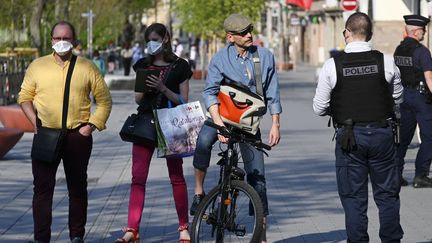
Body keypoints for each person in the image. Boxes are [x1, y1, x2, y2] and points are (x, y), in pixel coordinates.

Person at [190, 13, 281, 243]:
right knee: (202, 141)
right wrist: (219, 125)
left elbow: (273, 93)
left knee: (258, 178)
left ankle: (262, 235)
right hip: (222, 116)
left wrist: (276, 124)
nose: (249, 35)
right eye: (243, 33)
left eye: (250, 30)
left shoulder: (265, 57)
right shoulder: (220, 59)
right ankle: (199, 192)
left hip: (249, 122)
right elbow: (209, 93)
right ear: (231, 37)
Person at [18, 21, 112, 243]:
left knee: (77, 188)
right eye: (58, 38)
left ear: (74, 41)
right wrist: (35, 123)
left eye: (66, 38)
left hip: (77, 136)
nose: (62, 42)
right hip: (46, 134)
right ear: (51, 40)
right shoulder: (37, 66)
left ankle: (76, 235)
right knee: (42, 190)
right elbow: (24, 97)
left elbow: (105, 101)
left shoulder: (87, 67)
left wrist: (91, 126)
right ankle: (42, 238)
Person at [313, 12, 404, 242]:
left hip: (350, 138)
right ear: (370, 35)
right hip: (383, 135)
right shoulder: (386, 61)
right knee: (387, 196)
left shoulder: (332, 66)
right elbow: (398, 96)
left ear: (346, 33)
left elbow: (319, 107)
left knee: (354, 198)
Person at [115, 23, 193, 243]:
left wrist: (163, 88)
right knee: (138, 177)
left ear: (166, 39)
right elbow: (138, 99)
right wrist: (145, 89)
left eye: (156, 39)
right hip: (146, 122)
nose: (152, 43)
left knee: (176, 176)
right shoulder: (142, 64)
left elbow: (183, 101)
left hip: (171, 122)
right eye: (149, 39)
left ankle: (183, 227)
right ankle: (132, 229)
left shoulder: (180, 66)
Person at [394, 14, 432, 188]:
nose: (424, 33)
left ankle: (395, 176)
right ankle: (420, 176)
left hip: (403, 97)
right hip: (421, 98)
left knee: (403, 138)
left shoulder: (398, 50)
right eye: (423, 30)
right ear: (416, 31)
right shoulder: (422, 51)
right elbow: (429, 78)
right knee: (429, 137)